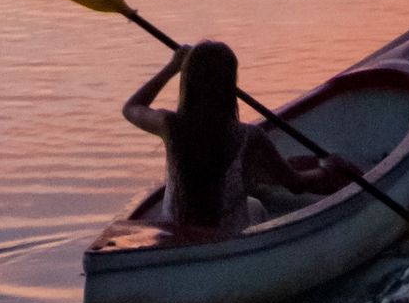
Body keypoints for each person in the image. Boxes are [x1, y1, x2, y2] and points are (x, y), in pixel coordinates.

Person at [123, 40, 356, 235]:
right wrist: (327, 169)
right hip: (224, 240)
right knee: (256, 207)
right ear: (229, 86)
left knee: (253, 203)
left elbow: (132, 107)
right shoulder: (248, 136)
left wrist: (172, 67)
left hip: (177, 236)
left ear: (188, 82)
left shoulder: (169, 126)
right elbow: (295, 184)